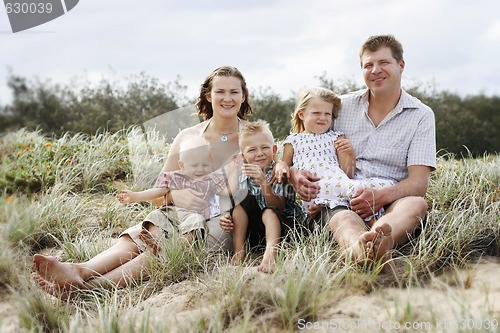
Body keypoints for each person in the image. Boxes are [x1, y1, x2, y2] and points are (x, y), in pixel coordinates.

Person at [32, 66, 252, 299]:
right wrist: (175, 196)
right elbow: (159, 194)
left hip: (222, 221)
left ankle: (86, 289)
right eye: (220, 92)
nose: (227, 98)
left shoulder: (254, 136)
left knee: (170, 244)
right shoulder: (187, 137)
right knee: (145, 234)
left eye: (234, 92)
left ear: (243, 96)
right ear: (209, 96)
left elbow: (260, 189)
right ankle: (79, 270)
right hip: (180, 211)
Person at [288, 35, 436, 274]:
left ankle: (378, 240)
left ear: (401, 65)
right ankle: (363, 250)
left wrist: (380, 197)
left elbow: (418, 183)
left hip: (389, 202)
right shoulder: (341, 107)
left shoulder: (421, 115)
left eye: (383, 62)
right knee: (343, 219)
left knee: (416, 204)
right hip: (340, 199)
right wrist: (294, 173)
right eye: (368, 65)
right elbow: (303, 140)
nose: (375, 70)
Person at [275, 87, 396, 225]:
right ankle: (375, 226)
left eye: (328, 114)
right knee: (358, 191)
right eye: (316, 113)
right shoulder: (293, 141)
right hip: (313, 188)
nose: (323, 118)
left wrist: (350, 153)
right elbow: (286, 166)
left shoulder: (336, 137)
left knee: (375, 187)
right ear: (302, 114)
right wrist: (280, 166)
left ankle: (374, 230)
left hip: (338, 184)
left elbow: (347, 173)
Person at [116, 135, 238, 252]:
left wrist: (234, 169)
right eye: (195, 165)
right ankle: (155, 240)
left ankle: (177, 249)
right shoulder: (173, 177)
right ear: (182, 165)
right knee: (156, 216)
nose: (200, 169)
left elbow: (229, 191)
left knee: (196, 221)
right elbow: (157, 192)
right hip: (172, 212)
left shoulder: (210, 179)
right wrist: (134, 196)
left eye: (205, 165)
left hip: (193, 215)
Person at [226, 120, 306, 273]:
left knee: (269, 211)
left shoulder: (278, 173)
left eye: (264, 147)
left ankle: (270, 255)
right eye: (252, 150)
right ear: (243, 156)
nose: (260, 153)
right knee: (240, 204)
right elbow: (240, 208)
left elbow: (279, 206)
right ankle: (239, 251)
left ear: (274, 149)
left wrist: (263, 182)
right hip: (258, 233)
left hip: (286, 229)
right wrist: (227, 219)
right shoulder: (243, 175)